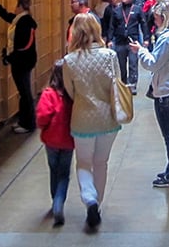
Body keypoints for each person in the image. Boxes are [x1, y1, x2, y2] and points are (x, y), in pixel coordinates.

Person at [62, 14, 122, 231]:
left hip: (82, 119)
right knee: (101, 162)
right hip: (108, 119)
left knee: (84, 163)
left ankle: (90, 200)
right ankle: (98, 203)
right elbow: (118, 83)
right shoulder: (110, 56)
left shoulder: (69, 61)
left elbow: (70, 92)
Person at [130, 0, 169, 188]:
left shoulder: (166, 38)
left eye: (156, 17)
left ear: (163, 17)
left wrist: (141, 50)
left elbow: (152, 64)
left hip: (167, 91)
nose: (154, 20)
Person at [35, 60, 74, 227]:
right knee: (64, 174)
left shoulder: (48, 94)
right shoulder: (72, 97)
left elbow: (42, 117)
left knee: (53, 170)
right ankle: (59, 204)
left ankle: (54, 202)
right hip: (68, 140)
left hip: (51, 140)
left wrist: (44, 128)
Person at [0, 0, 38, 134]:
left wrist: (9, 58)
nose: (14, 8)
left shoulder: (24, 23)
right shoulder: (23, 20)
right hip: (23, 61)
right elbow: (9, 17)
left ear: (20, 7)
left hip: (22, 62)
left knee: (25, 93)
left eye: (16, 6)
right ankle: (23, 121)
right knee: (24, 92)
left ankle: (28, 123)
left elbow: (22, 46)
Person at [108, 0, 149, 94]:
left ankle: (132, 85)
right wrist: (109, 39)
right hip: (120, 41)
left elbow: (144, 24)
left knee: (133, 64)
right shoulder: (117, 10)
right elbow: (111, 26)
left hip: (133, 42)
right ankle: (123, 83)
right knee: (121, 65)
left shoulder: (137, 9)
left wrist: (146, 39)